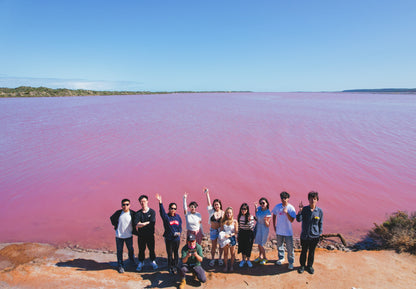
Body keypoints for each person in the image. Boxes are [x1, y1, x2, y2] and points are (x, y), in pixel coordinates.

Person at [296, 191, 323, 274]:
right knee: (303, 251)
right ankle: (302, 266)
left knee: (312, 252)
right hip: (305, 235)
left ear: (317, 200)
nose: (313, 201)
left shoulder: (319, 211)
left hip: (314, 236)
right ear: (308, 200)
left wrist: (320, 233)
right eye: (311, 199)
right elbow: (298, 220)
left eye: (314, 199)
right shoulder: (304, 209)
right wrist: (300, 211)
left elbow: (320, 223)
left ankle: (310, 266)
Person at [156, 193, 182, 275]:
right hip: (169, 239)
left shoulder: (178, 217)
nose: (173, 210)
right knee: (170, 254)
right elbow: (162, 212)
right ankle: (170, 267)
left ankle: (176, 266)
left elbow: (180, 226)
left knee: (176, 253)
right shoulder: (166, 217)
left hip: (176, 239)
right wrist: (160, 202)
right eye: (171, 208)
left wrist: (179, 232)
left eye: (174, 208)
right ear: (169, 209)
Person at [110, 198, 136, 273]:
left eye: (127, 204)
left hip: (129, 235)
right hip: (119, 236)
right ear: (121, 206)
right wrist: (116, 226)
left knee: (130, 249)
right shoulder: (118, 213)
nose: (125, 206)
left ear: (129, 205)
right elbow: (112, 219)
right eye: (123, 205)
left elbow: (137, 220)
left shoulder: (132, 213)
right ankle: (120, 265)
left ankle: (132, 261)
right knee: (119, 251)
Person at [272, 191, 297, 270]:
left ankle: (291, 262)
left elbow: (292, 220)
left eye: (285, 198)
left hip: (288, 232)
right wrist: (274, 226)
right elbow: (274, 215)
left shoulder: (291, 208)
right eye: (282, 198)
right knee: (279, 246)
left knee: (290, 248)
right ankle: (281, 258)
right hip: (279, 231)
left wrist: (286, 213)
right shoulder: (277, 206)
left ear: (288, 199)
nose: (283, 200)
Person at [134, 194, 157, 271]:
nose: (143, 203)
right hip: (141, 236)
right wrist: (146, 223)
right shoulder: (138, 213)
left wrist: (142, 224)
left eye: (144, 201)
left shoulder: (152, 212)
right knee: (141, 250)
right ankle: (141, 262)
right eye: (141, 202)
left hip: (150, 235)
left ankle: (152, 261)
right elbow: (136, 224)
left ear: (147, 201)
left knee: (151, 249)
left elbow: (152, 223)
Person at [204, 187, 224, 267]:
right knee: (213, 245)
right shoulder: (211, 211)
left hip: (220, 231)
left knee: (221, 245)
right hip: (213, 230)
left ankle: (220, 258)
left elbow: (228, 220)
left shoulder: (223, 212)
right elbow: (208, 203)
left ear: (220, 205)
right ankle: (212, 259)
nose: (216, 206)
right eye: (215, 205)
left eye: (217, 204)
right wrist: (207, 193)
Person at [219, 207, 238, 272]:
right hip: (225, 239)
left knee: (232, 253)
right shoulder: (223, 221)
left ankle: (231, 266)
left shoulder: (235, 221)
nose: (228, 214)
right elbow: (221, 230)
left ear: (232, 214)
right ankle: (226, 266)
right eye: (227, 213)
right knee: (226, 253)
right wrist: (222, 237)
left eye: (230, 213)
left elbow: (236, 232)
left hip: (232, 238)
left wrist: (230, 235)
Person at [253, 197, 272, 265]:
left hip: (264, 229)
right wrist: (255, 207)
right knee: (258, 243)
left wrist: (266, 221)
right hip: (258, 227)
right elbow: (257, 214)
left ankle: (265, 258)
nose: (262, 204)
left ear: (267, 203)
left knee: (261, 244)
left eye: (263, 203)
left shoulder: (268, 212)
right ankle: (260, 256)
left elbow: (267, 225)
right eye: (260, 203)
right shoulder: (259, 209)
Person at [237, 203, 255, 268]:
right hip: (242, 233)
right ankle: (243, 259)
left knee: (248, 247)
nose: (243, 210)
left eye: (245, 209)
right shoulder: (239, 216)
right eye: (242, 209)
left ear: (247, 209)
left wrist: (249, 221)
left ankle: (248, 260)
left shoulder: (251, 216)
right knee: (242, 247)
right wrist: (238, 235)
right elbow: (239, 226)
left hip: (249, 233)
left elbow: (252, 227)